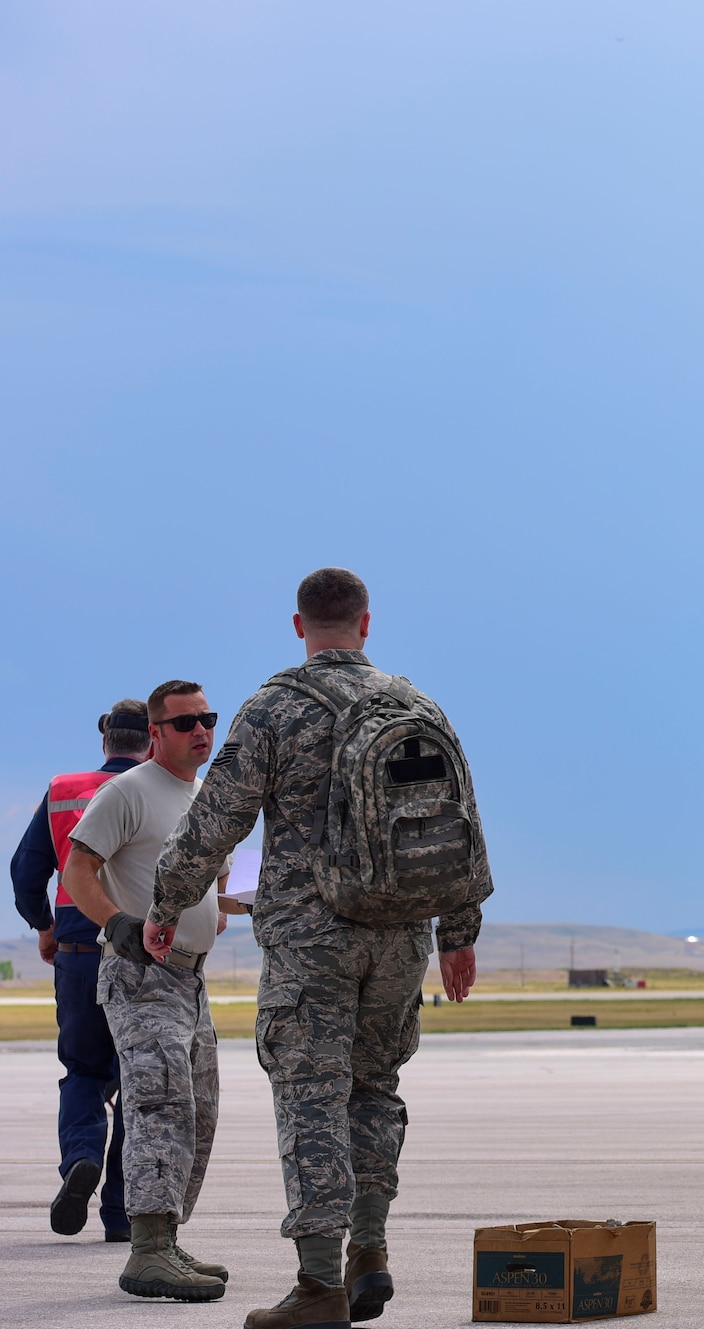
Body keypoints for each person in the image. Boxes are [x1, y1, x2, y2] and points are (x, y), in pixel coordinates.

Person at [145, 567, 488, 1329]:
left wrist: (166, 901)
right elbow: (457, 822)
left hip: (312, 943)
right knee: (374, 1090)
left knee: (310, 1100)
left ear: (299, 627)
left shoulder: (274, 708)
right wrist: (458, 933)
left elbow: (214, 822)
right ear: (366, 624)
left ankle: (318, 1284)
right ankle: (370, 1255)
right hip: (402, 939)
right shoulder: (417, 704)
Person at [63, 680, 228, 1302]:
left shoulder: (203, 797)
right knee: (160, 1107)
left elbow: (207, 885)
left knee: (200, 1113)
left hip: (190, 977)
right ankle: (148, 1251)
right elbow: (78, 867)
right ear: (155, 732)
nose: (201, 731)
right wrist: (117, 923)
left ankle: (168, 1236)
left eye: (208, 719)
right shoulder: (126, 791)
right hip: (141, 976)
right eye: (186, 723)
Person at [9, 702, 149, 1242]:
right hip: (147, 955)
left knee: (84, 1072)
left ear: (105, 739)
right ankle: (120, 1215)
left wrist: (44, 924)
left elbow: (26, 870)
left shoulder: (64, 789)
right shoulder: (164, 787)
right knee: (140, 1083)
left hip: (78, 952)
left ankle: (80, 1158)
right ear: (152, 740)